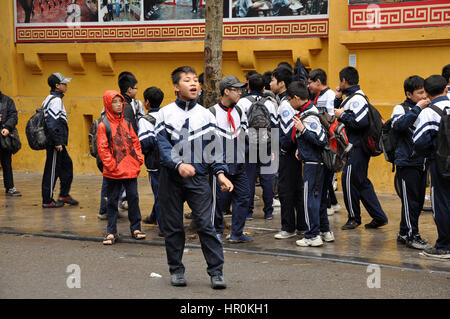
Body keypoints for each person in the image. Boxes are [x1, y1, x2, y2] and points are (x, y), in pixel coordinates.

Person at [155, 66, 234, 289]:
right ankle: (176, 270)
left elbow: (215, 148)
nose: (193, 84)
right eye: (187, 80)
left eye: (196, 80)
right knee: (173, 227)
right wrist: (178, 164)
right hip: (171, 178)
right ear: (175, 86)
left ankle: (216, 272)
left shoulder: (205, 115)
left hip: (198, 178)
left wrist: (220, 173)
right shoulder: (165, 113)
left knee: (206, 225)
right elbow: (161, 144)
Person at [334, 66, 388, 230]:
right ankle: (379, 216)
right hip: (357, 147)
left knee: (348, 181)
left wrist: (342, 115)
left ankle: (354, 218)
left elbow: (361, 122)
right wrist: (338, 98)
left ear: (343, 81)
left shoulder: (357, 99)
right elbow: (339, 112)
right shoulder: (351, 97)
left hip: (357, 147)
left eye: (340, 81)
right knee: (361, 181)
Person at [97, 90, 145, 245]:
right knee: (112, 201)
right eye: (114, 102)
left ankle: (136, 228)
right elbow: (102, 149)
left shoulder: (127, 122)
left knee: (133, 198)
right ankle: (111, 231)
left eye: (120, 102)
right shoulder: (103, 125)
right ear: (108, 104)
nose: (118, 105)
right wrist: (112, 166)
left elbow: (135, 142)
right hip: (113, 172)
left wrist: (138, 159)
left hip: (130, 168)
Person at [286, 81, 329, 247]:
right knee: (317, 199)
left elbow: (320, 140)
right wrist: (301, 148)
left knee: (309, 199)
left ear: (296, 98)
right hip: (314, 161)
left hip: (313, 163)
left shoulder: (309, 114)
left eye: (290, 100)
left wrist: (302, 129)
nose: (290, 103)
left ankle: (312, 235)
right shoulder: (309, 110)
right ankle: (325, 232)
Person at [210, 75, 251, 243]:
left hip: (238, 162)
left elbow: (245, 133)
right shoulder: (211, 113)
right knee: (219, 200)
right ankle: (216, 231)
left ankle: (236, 232)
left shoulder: (239, 110)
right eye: (236, 90)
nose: (240, 93)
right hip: (220, 164)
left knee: (244, 196)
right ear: (226, 91)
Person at [413, 75, 450, 259]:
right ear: (446, 89)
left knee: (441, 203)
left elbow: (419, 142)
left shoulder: (428, 112)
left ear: (426, 93)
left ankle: (444, 246)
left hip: (441, 164)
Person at [391, 75, 429, 250]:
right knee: (410, 201)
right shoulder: (401, 108)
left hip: (422, 162)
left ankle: (404, 232)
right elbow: (398, 125)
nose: (423, 96)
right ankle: (413, 235)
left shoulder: (428, 108)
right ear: (409, 94)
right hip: (407, 162)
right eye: (420, 92)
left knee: (418, 201)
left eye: (425, 92)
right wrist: (417, 109)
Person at [271, 67, 307, 239]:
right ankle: (301, 225)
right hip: (298, 153)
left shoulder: (285, 105)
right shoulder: (293, 102)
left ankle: (288, 227)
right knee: (297, 189)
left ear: (281, 83)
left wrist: (283, 149)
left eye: (272, 80)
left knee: (286, 189)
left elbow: (287, 131)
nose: (270, 83)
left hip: (289, 154)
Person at [237, 73, 277, 220]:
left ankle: (248, 212)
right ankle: (268, 212)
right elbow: (274, 125)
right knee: (267, 178)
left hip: (249, 143)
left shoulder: (242, 103)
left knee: (249, 178)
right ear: (264, 88)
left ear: (248, 86)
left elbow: (240, 127)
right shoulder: (269, 103)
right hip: (266, 142)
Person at [307, 68, 341, 216]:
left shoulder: (329, 96)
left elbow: (331, 119)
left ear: (318, 82)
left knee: (326, 175)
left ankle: (328, 204)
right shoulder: (319, 96)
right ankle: (332, 203)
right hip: (323, 140)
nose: (309, 86)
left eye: (310, 83)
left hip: (329, 141)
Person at [41, 73, 78, 208]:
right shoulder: (55, 101)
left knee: (67, 165)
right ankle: (47, 200)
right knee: (52, 170)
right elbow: (53, 123)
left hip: (57, 141)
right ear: (57, 86)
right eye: (64, 83)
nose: (66, 85)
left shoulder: (50, 99)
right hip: (55, 142)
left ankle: (64, 194)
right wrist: (58, 142)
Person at [138, 86, 164, 231]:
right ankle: (154, 216)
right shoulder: (166, 114)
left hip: (154, 162)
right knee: (164, 191)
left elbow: (146, 142)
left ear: (147, 102)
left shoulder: (145, 120)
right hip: (169, 160)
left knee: (159, 193)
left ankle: (163, 225)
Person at [0, 90, 21, 196]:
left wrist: (7, 127)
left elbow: (13, 116)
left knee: (6, 163)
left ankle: (10, 187)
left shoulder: (7, 101)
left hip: (4, 136)